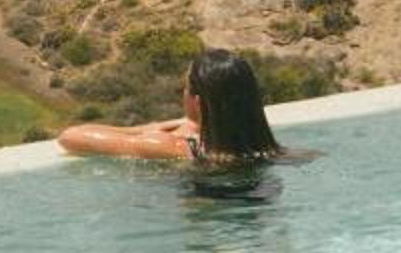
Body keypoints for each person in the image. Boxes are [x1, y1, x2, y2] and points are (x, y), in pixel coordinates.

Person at [57, 48, 286, 169]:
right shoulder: (267, 150)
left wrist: (146, 129)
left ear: (197, 103)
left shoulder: (173, 148)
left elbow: (72, 137)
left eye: (185, 87)